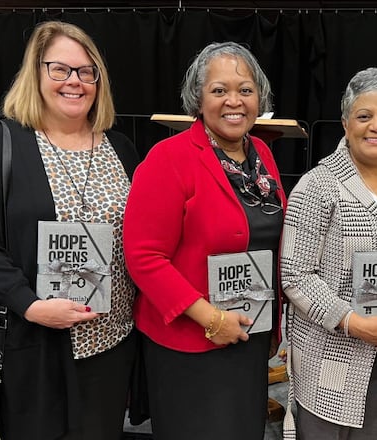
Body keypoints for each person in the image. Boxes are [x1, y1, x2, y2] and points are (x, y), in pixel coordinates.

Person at [0, 21, 139, 440]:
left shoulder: (122, 149)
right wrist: (29, 305)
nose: (74, 81)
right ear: (36, 73)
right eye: (60, 69)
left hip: (109, 345)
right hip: (30, 343)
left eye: (86, 71)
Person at [122, 41, 286, 440]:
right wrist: (212, 320)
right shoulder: (169, 157)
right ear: (198, 98)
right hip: (190, 343)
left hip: (248, 335)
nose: (234, 101)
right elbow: (143, 256)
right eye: (219, 90)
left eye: (245, 90)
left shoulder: (261, 154)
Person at [280, 67, 377, 439]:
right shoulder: (318, 186)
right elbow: (295, 275)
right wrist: (351, 321)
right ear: (346, 123)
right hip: (329, 355)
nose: (376, 126)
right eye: (364, 116)